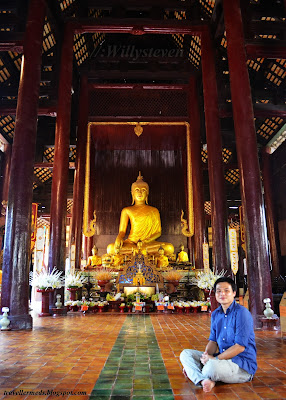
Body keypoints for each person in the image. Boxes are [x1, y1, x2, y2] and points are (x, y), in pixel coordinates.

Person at [180, 277, 257, 393]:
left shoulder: (242, 313)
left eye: (226, 290)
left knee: (210, 368)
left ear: (234, 293)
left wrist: (214, 359)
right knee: (185, 354)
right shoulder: (216, 314)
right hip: (221, 359)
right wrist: (205, 357)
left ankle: (198, 375)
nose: (222, 294)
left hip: (241, 364)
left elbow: (240, 347)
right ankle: (204, 380)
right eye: (219, 291)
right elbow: (213, 341)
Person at [107, 172, 174, 256]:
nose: (140, 193)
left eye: (143, 190)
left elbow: (158, 232)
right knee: (110, 248)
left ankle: (137, 253)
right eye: (137, 190)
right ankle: (141, 252)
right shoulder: (127, 210)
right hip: (131, 243)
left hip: (148, 243)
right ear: (132, 193)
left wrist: (146, 241)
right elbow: (122, 231)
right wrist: (119, 238)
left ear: (147, 194)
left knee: (169, 248)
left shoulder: (154, 210)